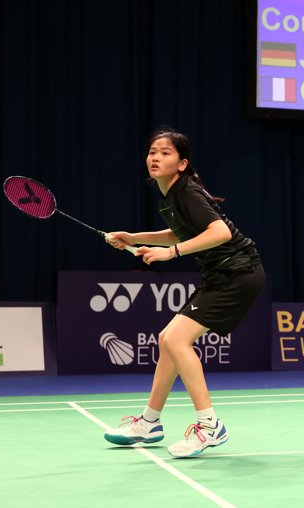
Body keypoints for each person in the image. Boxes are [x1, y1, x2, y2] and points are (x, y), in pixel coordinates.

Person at [103, 127, 265, 458]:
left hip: (238, 274)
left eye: (165, 152)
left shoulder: (187, 192)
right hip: (224, 274)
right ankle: (149, 422)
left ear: (181, 163)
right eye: (152, 152)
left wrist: (171, 253)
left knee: (176, 340)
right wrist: (135, 238)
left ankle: (209, 426)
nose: (155, 157)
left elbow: (218, 232)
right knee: (167, 339)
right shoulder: (172, 195)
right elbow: (176, 232)